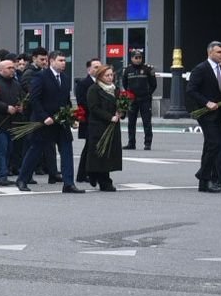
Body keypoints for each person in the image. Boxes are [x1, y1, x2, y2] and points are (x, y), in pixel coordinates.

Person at [15, 52, 83, 194]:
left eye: (65, 60)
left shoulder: (64, 78)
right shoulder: (41, 76)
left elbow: (66, 100)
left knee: (66, 150)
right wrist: (44, 116)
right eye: (61, 60)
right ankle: (22, 179)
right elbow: (34, 99)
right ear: (52, 61)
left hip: (61, 122)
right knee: (36, 150)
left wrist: (71, 117)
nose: (64, 63)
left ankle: (68, 183)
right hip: (44, 122)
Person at [185, 40, 221, 193]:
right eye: (219, 52)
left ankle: (204, 180)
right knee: (213, 144)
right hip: (206, 114)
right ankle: (205, 177)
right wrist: (206, 102)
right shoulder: (201, 69)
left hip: (219, 115)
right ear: (210, 53)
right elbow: (191, 90)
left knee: (211, 146)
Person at [80, 63, 123, 191]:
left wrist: (121, 112)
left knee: (109, 154)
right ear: (100, 76)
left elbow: (122, 104)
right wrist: (109, 117)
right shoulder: (94, 89)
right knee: (100, 153)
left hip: (113, 127)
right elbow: (94, 108)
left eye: (111, 75)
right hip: (99, 126)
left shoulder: (115, 89)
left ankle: (98, 175)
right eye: (107, 75)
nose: (110, 78)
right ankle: (103, 179)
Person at [0, 58, 26, 187]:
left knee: (9, 150)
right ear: (1, 69)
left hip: (12, 122)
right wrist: (6, 107)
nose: (12, 70)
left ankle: (6, 172)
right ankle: (1, 175)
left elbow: (21, 97)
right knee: (1, 150)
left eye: (13, 68)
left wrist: (21, 106)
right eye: (9, 68)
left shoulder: (15, 83)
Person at [121, 49, 157, 150]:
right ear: (131, 58)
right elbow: (125, 84)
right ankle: (131, 143)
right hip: (132, 100)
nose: (138, 60)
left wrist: (147, 94)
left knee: (146, 122)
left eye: (140, 57)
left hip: (145, 99)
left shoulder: (147, 69)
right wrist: (130, 95)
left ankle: (147, 143)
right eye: (136, 58)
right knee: (131, 122)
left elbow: (153, 84)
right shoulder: (127, 70)